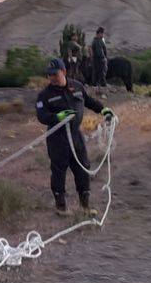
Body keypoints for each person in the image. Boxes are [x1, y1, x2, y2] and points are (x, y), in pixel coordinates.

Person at [35, 58, 114, 217]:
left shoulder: (77, 86)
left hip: (76, 136)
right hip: (57, 138)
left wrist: (103, 109)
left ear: (63, 72)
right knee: (59, 171)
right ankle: (61, 207)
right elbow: (42, 116)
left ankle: (84, 206)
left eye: (54, 74)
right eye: (49, 75)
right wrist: (58, 116)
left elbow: (89, 101)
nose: (51, 77)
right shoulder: (44, 95)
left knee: (82, 168)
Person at [91, 27, 109, 96]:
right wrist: (104, 58)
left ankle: (96, 91)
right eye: (102, 33)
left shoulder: (98, 40)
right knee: (101, 74)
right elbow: (100, 52)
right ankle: (102, 92)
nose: (102, 35)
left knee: (96, 74)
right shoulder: (98, 41)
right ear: (99, 34)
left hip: (96, 60)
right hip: (99, 60)